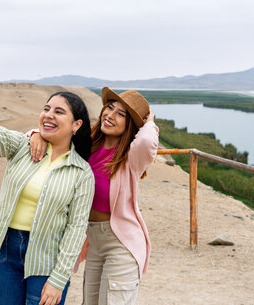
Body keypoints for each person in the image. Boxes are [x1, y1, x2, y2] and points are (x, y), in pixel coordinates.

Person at [0, 82, 95, 305]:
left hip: (47, 259)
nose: (49, 115)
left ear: (76, 125)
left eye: (59, 111)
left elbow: (76, 229)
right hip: (5, 252)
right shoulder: (22, 147)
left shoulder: (82, 173)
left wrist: (59, 279)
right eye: (46, 109)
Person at [30, 87, 158, 304]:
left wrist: (149, 122)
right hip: (93, 240)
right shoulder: (87, 146)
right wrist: (35, 135)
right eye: (109, 108)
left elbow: (146, 142)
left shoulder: (131, 157)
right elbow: (57, 133)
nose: (110, 115)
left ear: (131, 124)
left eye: (121, 114)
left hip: (120, 242)